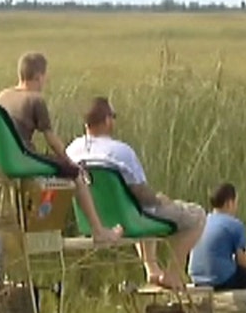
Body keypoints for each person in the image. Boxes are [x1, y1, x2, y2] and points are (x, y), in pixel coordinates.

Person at [65, 96, 205, 290]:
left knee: (139, 208)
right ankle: (172, 275)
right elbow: (141, 193)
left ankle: (152, 269)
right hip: (129, 219)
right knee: (196, 216)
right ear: (107, 120)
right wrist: (160, 200)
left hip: (91, 221)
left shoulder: (72, 150)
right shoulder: (120, 152)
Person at [0, 52, 123, 244]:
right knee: (76, 175)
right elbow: (52, 140)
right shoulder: (35, 100)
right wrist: (70, 163)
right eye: (45, 77)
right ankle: (98, 230)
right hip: (24, 159)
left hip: (1, 160)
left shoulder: (2, 96)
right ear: (38, 76)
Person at [188, 182, 246, 291]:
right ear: (229, 203)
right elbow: (242, 261)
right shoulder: (234, 225)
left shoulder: (201, 221)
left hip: (196, 278)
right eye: (236, 202)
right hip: (222, 280)